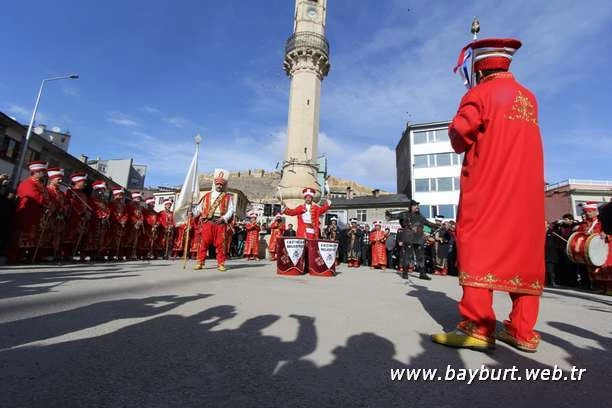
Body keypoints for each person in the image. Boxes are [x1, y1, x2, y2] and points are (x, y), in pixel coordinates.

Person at [432, 37, 545, 352]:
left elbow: (459, 138)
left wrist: (459, 115)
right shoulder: (529, 97)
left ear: (479, 69)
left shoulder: (478, 94)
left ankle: (478, 327)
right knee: (524, 254)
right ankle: (523, 331)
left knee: (478, 246)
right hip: (527, 196)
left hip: (489, 188)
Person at [193, 168, 234, 271]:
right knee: (204, 243)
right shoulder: (207, 196)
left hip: (220, 222)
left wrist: (224, 218)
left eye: (221, 184)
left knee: (221, 244)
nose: (219, 186)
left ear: (223, 185)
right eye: (218, 184)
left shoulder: (228, 197)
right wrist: (192, 212)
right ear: (215, 184)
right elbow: (199, 209)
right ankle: (200, 262)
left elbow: (230, 211)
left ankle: (221, 263)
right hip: (208, 222)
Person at [10, 161, 50, 263]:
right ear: (35, 172)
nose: (44, 174)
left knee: (34, 236)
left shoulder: (41, 185)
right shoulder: (27, 183)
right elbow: (36, 196)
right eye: (42, 172)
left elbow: (47, 198)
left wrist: (49, 205)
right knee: (22, 235)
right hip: (27, 213)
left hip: (37, 214)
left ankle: (30, 256)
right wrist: (48, 204)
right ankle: (15, 257)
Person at [398, 200, 436, 280]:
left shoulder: (420, 216)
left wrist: (437, 225)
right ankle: (405, 273)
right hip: (409, 238)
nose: (417, 207)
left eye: (417, 206)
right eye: (415, 205)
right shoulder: (405, 215)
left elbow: (428, 223)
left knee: (421, 257)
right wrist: (406, 222)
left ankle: (422, 274)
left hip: (419, 238)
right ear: (410, 207)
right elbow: (402, 223)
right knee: (407, 256)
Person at [63, 172, 91, 261]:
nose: (85, 184)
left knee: (78, 237)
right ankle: (66, 254)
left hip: (82, 219)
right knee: (69, 236)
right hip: (73, 217)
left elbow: (86, 205)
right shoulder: (71, 191)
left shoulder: (83, 194)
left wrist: (87, 213)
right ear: (77, 182)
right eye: (83, 182)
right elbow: (72, 203)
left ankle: (72, 253)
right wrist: (82, 213)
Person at [42, 168, 66, 261]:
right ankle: (43, 254)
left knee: (57, 235)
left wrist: (63, 209)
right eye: (58, 179)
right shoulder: (47, 190)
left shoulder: (61, 193)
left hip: (59, 217)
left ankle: (54, 253)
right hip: (50, 215)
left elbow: (65, 204)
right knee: (47, 235)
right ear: (52, 179)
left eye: (61, 179)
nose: (60, 181)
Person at [85, 181, 111, 261]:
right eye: (100, 190)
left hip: (103, 222)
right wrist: (102, 215)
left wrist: (107, 215)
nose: (101, 192)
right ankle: (90, 254)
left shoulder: (104, 201)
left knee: (101, 238)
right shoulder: (91, 199)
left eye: (103, 190)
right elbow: (93, 209)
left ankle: (99, 253)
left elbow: (107, 209)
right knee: (92, 238)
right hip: (94, 221)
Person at [108, 187, 128, 260]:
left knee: (120, 240)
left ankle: (117, 254)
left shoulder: (123, 205)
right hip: (114, 224)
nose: (121, 197)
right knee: (112, 240)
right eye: (119, 195)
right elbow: (112, 213)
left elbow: (126, 214)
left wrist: (124, 220)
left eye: (122, 195)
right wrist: (119, 220)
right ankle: (110, 255)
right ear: (115, 195)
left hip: (121, 225)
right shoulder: (111, 204)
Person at [126, 192, 144, 260]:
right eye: (138, 198)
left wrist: (140, 221)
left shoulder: (139, 207)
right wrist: (135, 222)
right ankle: (128, 254)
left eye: (139, 198)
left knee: (136, 240)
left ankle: (133, 254)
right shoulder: (130, 205)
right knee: (130, 240)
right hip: (131, 225)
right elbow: (130, 215)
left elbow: (141, 215)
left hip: (138, 225)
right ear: (133, 198)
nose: (139, 199)